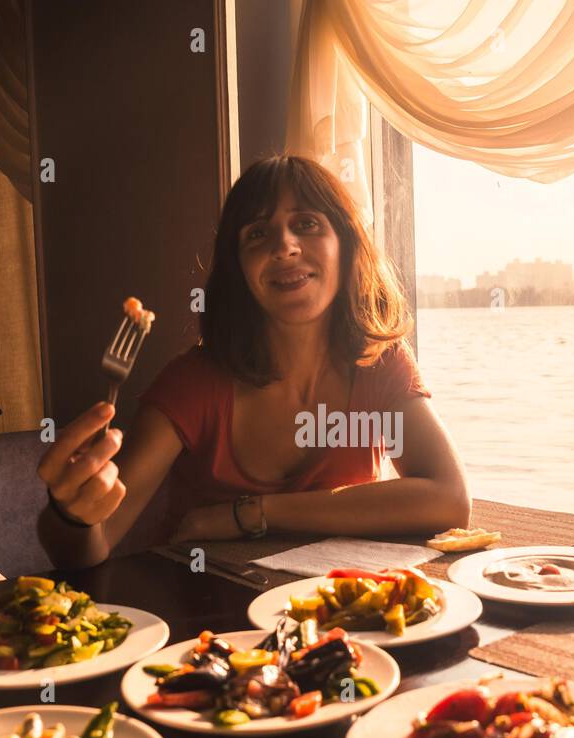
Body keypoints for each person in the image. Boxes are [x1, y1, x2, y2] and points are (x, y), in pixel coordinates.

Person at [37, 154, 470, 568]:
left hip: (336, 614)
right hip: (210, 618)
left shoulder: (380, 363)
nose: (284, 246)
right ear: (239, 269)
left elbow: (449, 501)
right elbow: (89, 548)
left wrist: (248, 514)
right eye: (258, 234)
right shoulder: (194, 383)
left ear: (346, 244)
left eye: (306, 224)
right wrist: (71, 516)